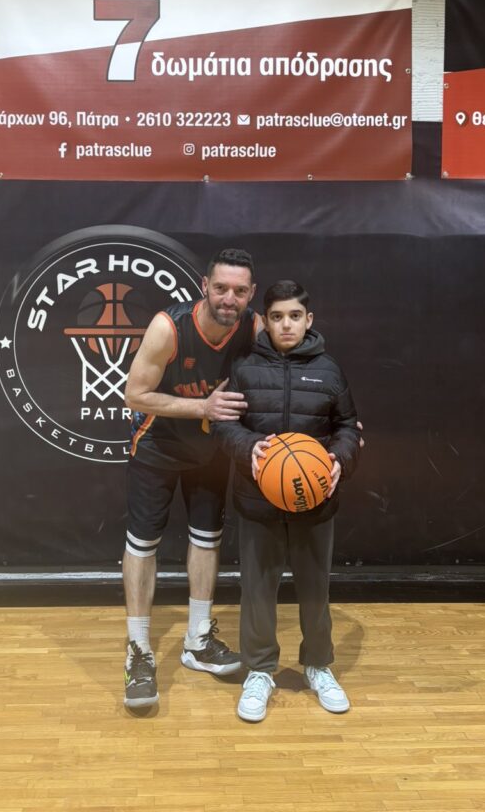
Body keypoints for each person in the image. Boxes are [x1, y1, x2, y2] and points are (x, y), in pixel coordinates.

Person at [212, 279, 361, 723]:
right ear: (265, 320)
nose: (286, 325)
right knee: (257, 589)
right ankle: (260, 670)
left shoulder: (329, 370)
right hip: (257, 498)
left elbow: (348, 427)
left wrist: (340, 460)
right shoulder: (243, 366)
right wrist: (248, 448)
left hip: (315, 500)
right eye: (277, 317)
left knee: (315, 589)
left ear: (308, 319)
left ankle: (318, 665)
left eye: (295, 316)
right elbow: (223, 424)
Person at [121, 248, 260, 710]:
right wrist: (203, 406)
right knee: (143, 544)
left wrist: (336, 421)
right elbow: (134, 395)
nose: (229, 298)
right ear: (204, 286)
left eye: (239, 291)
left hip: (209, 451)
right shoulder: (169, 328)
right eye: (220, 288)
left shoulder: (254, 327)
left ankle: (198, 641)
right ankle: (138, 650)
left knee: (207, 539)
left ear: (250, 294)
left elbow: (290, 372)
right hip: (157, 447)